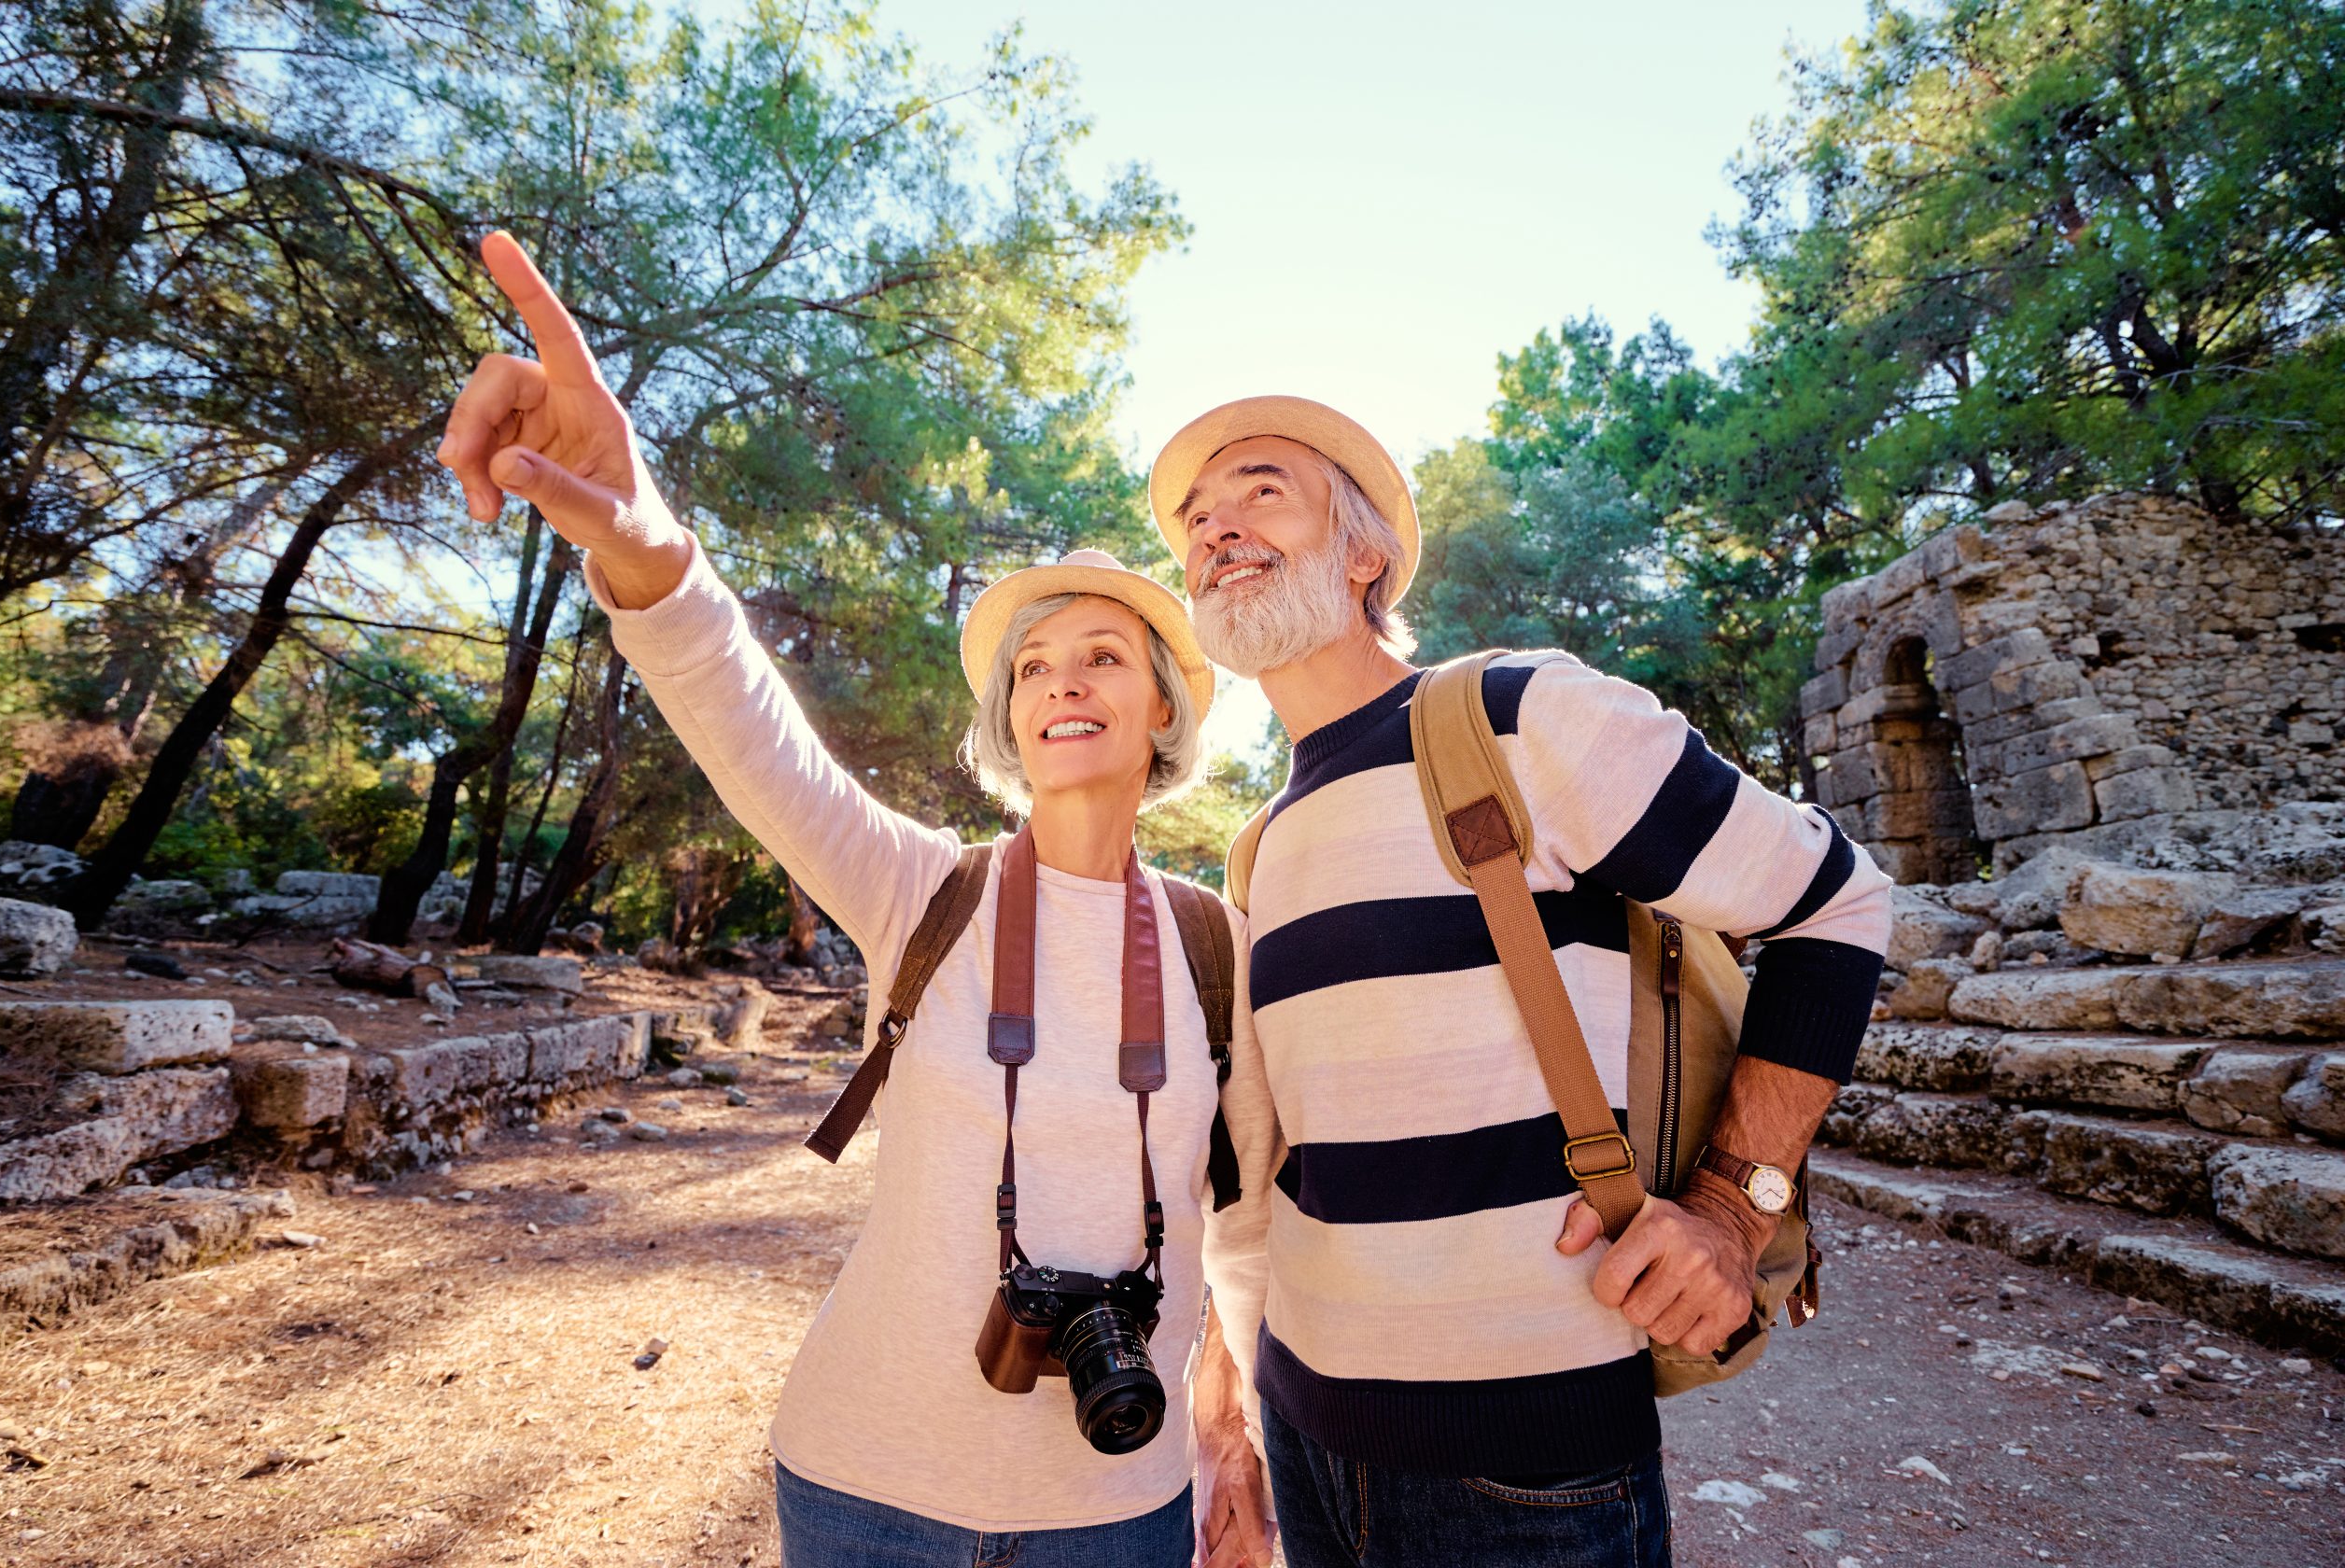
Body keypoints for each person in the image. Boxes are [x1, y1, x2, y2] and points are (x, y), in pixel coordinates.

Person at [435, 231, 1277, 1568]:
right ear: (1008, 718)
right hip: (864, 1486)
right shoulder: (920, 891)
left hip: (1115, 1509)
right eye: (1034, 665)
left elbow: (1246, 1226)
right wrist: (643, 531)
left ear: (1163, 709)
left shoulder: (1217, 943)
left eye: (1104, 655)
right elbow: (747, 730)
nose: (1063, 681)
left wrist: (1234, 1440)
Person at [1165, 396, 1894, 1568]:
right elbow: (1271, 1173)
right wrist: (1238, 1397)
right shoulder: (1259, 846)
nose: (1215, 529)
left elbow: (1837, 899)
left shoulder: (1517, 715)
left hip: (1525, 1470)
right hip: (1305, 1432)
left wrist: (1728, 1204)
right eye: (1195, 520)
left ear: (1366, 555)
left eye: (1260, 490)